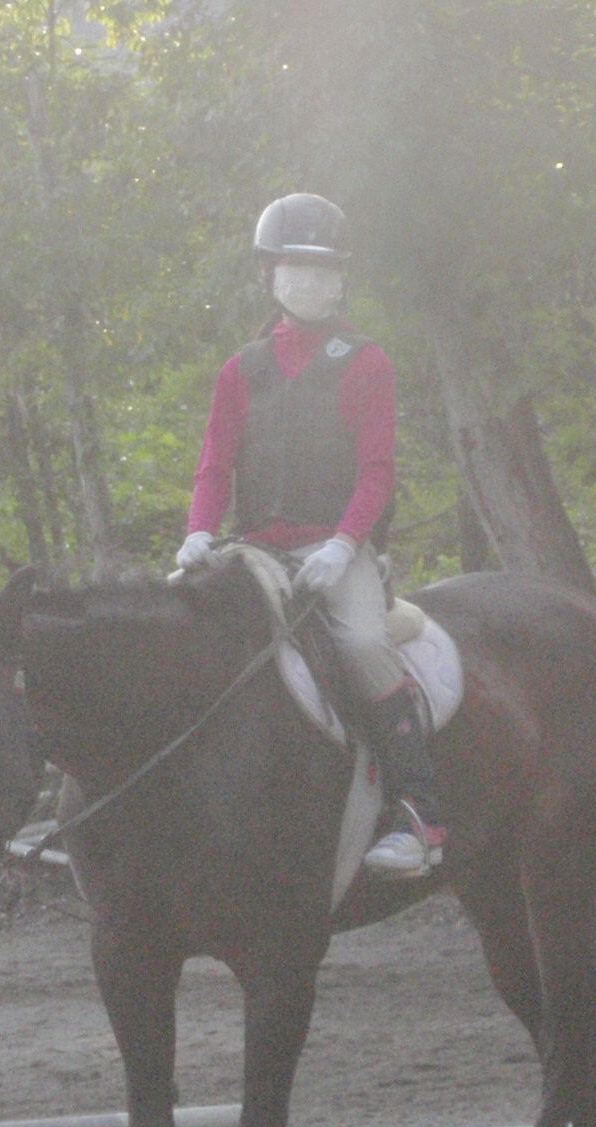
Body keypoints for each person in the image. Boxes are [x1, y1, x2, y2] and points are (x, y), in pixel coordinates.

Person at [175, 193, 445, 877]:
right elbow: (214, 466)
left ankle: (419, 814)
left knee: (361, 644)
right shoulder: (240, 369)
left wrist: (344, 545)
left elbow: (377, 471)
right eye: (296, 266)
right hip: (253, 548)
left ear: (341, 277)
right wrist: (198, 533)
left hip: (334, 547)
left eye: (323, 269)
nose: (309, 280)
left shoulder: (367, 362)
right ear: (269, 273)